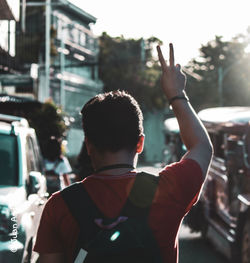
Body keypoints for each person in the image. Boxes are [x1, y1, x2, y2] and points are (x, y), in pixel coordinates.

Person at [33, 44, 213, 263]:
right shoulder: (168, 190)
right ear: (140, 143)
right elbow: (202, 147)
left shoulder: (60, 205)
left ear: (88, 146)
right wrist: (176, 94)